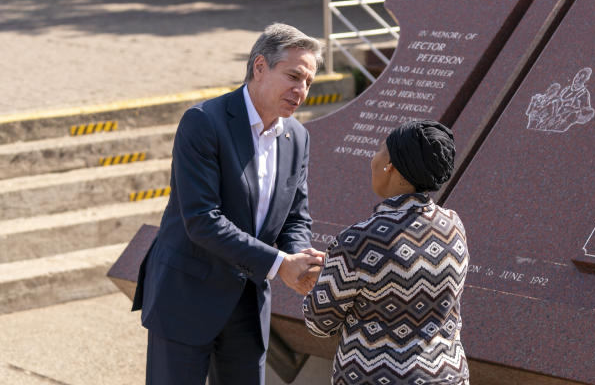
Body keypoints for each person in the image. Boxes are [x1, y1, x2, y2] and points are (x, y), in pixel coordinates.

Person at [133, 23, 326, 385]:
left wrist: (299, 258)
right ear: (259, 67)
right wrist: (280, 263)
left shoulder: (298, 137)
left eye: (308, 83)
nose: (300, 91)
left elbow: (295, 217)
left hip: (248, 304)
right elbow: (203, 220)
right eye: (293, 76)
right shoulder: (204, 122)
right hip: (186, 296)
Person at [303, 120, 470, 385]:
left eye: (381, 149)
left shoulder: (357, 241)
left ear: (389, 165)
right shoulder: (453, 225)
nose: (374, 158)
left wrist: (321, 279)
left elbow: (319, 322)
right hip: (448, 375)